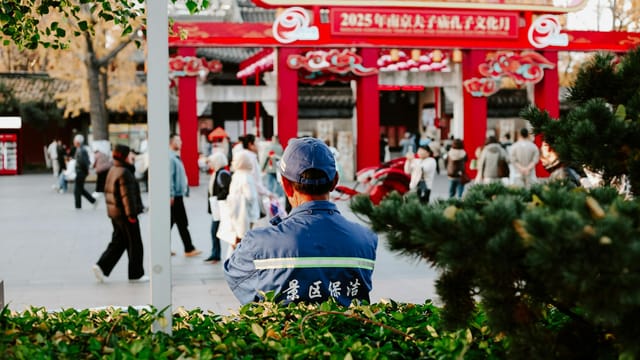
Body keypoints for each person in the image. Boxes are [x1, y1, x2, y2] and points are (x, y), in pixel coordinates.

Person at [224, 137, 378, 306]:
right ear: (335, 181)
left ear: (285, 184)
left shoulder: (257, 243)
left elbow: (238, 281)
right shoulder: (366, 239)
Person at [92, 144, 148, 283]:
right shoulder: (125, 172)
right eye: (130, 154)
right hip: (125, 215)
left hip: (115, 213)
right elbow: (127, 196)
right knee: (135, 244)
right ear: (124, 156)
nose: (132, 157)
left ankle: (101, 266)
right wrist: (132, 215)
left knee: (119, 242)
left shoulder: (114, 169)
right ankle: (136, 274)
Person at [169, 133, 202, 257]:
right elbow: (169, 178)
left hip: (177, 195)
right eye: (178, 140)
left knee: (175, 222)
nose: (181, 143)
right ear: (172, 142)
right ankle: (189, 248)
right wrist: (171, 194)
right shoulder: (171, 158)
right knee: (181, 222)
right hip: (175, 196)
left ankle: (187, 247)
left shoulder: (175, 157)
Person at [227, 150, 260, 248]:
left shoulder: (236, 175)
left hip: (236, 212)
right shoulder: (247, 176)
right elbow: (251, 196)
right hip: (246, 214)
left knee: (237, 240)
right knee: (245, 241)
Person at [206, 152, 231, 263]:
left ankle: (216, 254)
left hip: (221, 208)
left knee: (215, 231)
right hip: (217, 208)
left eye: (211, 161)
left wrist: (217, 199)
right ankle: (215, 254)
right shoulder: (217, 173)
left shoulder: (222, 174)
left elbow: (227, 190)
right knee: (214, 231)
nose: (209, 164)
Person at [72, 134, 97, 209]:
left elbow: (85, 162)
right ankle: (93, 200)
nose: (74, 142)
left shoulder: (82, 150)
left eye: (75, 141)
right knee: (80, 189)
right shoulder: (80, 149)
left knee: (77, 190)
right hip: (81, 171)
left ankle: (78, 206)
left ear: (78, 142)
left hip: (81, 172)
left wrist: (86, 170)